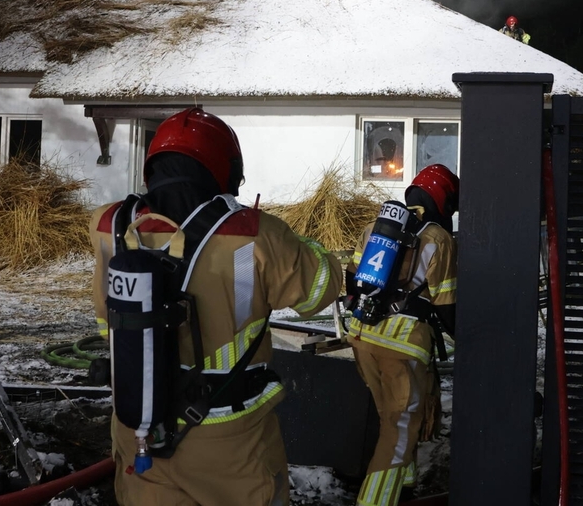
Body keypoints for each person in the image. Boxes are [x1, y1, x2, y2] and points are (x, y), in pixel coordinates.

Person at [88, 107, 342, 506]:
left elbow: (109, 316)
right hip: (229, 439)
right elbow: (317, 294)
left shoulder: (110, 224)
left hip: (138, 427)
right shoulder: (256, 234)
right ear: (225, 170)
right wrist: (308, 245)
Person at [344, 164, 458, 506]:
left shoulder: (374, 228)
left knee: (392, 419)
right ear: (444, 200)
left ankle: (405, 486)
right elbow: (447, 305)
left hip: (362, 337)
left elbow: (351, 281)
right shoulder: (439, 239)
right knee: (398, 430)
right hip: (404, 345)